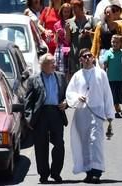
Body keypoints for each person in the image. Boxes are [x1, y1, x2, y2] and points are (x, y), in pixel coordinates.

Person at [66, 49, 115, 184]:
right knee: (84, 143)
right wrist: (77, 97)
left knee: (95, 142)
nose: (87, 58)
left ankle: (97, 172)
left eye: (89, 56)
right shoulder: (77, 76)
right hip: (82, 113)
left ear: (93, 58)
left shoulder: (101, 74)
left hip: (97, 112)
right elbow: (69, 93)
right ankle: (88, 171)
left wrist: (110, 113)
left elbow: (107, 94)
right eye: (84, 56)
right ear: (80, 59)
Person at [24, 53, 68, 184]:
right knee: (41, 146)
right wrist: (29, 119)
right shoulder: (34, 79)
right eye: (51, 63)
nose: (54, 65)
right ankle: (43, 174)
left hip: (56, 113)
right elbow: (28, 101)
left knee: (59, 145)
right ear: (43, 65)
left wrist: (66, 102)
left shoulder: (60, 77)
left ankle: (56, 173)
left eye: (54, 62)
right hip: (41, 114)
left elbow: (67, 95)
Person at [102, 35, 122, 116]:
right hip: (111, 79)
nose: (114, 44)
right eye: (113, 42)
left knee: (120, 94)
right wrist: (103, 77)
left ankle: (119, 107)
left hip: (121, 78)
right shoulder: (108, 53)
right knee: (113, 95)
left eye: (117, 42)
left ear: (121, 43)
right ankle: (116, 109)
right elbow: (104, 66)